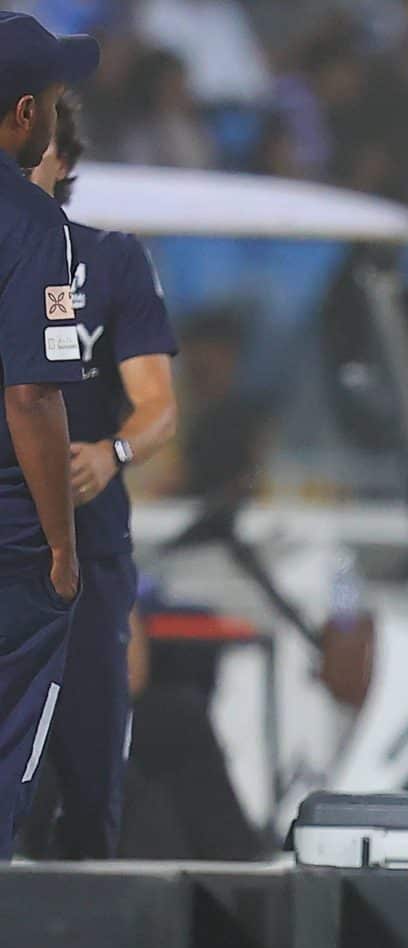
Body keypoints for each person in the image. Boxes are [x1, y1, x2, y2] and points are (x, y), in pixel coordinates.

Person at [14, 92, 180, 860]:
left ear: (64, 161)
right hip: (18, 540)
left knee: (85, 773)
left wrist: (108, 452)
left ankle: (76, 943)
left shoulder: (111, 260)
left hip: (88, 550)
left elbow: (156, 407)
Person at [0, 12, 97, 861]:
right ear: (24, 113)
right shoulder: (33, 226)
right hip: (9, 549)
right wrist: (62, 550)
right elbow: (31, 392)